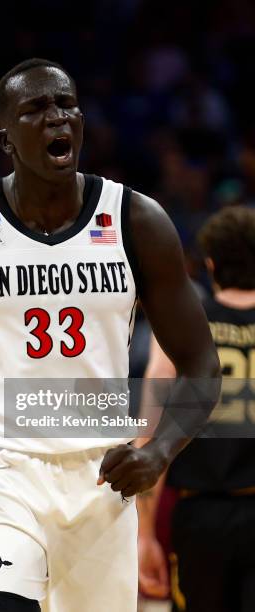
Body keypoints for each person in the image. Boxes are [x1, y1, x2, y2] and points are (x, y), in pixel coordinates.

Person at [0, 58, 220, 612]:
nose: (59, 118)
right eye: (37, 109)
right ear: (8, 138)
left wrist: (159, 453)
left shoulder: (135, 221)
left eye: (67, 104)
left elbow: (201, 365)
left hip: (102, 480)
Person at [137, 206, 255, 612]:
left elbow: (150, 426)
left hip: (199, 515)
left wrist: (142, 532)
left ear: (210, 264)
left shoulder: (184, 323)